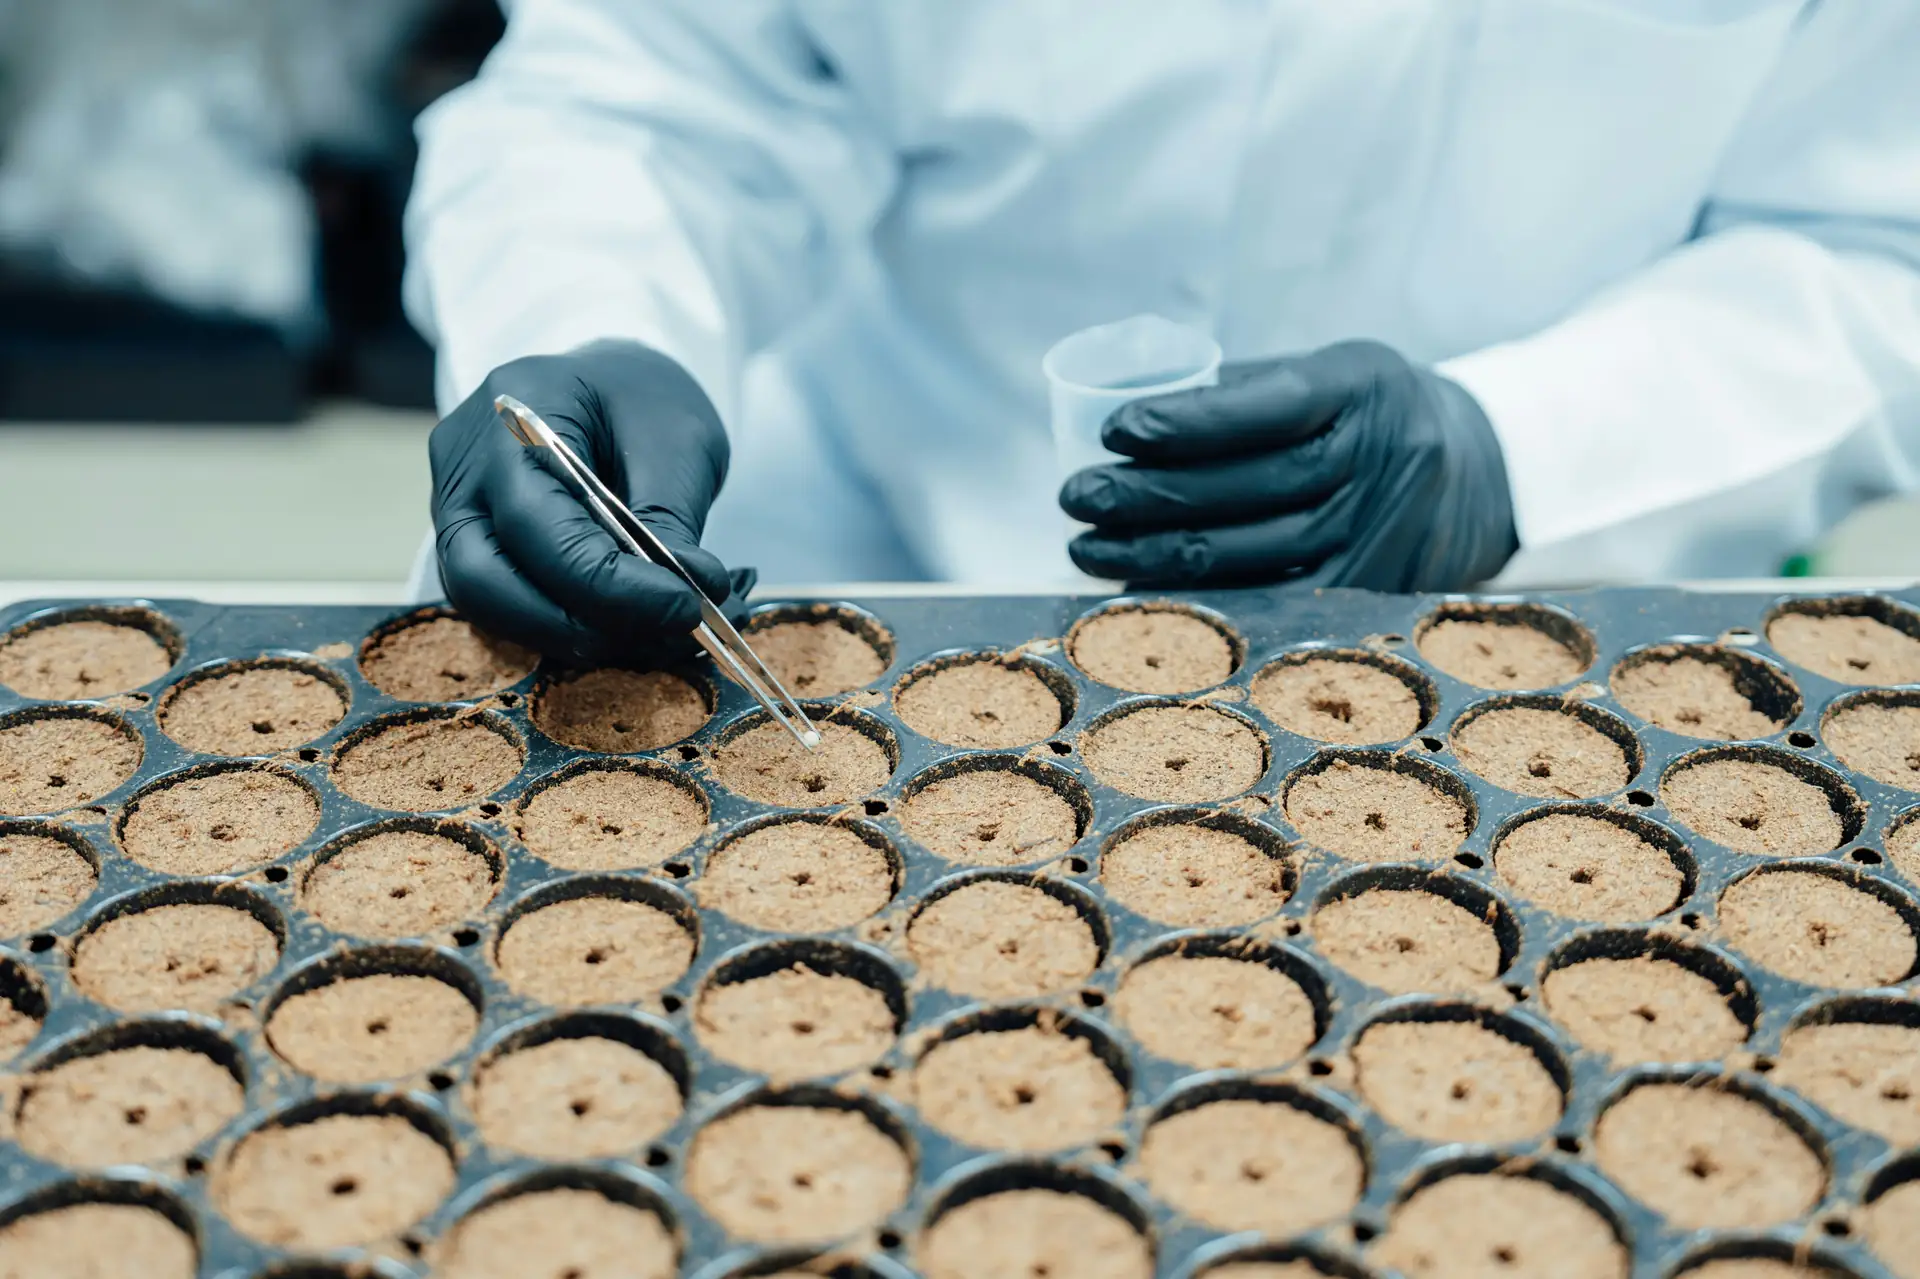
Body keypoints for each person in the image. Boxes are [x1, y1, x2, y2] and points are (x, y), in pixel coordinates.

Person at [404, 2, 1920, 662]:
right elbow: (652, 91)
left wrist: (1522, 447)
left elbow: (1880, 247)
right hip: (873, 553)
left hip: (1539, 620)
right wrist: (591, 325)